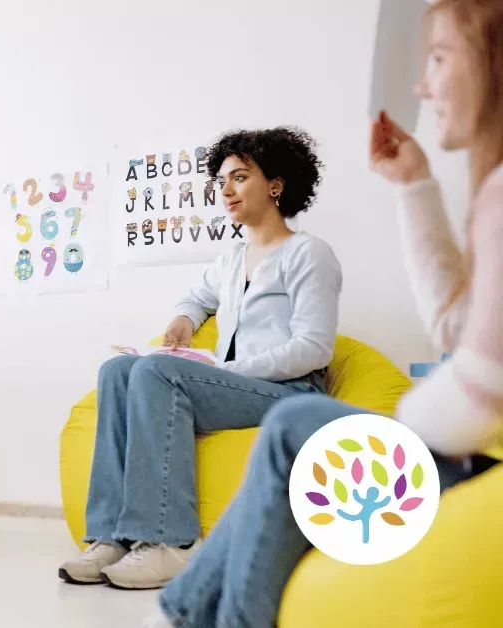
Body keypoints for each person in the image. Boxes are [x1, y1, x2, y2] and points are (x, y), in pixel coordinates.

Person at [147, 1, 503, 625]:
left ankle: (186, 605)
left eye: (440, 58)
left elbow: (476, 390)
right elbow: (459, 325)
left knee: (294, 420)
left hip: (462, 454)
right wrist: (414, 184)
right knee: (141, 374)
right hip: (467, 445)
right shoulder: (490, 193)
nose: (424, 84)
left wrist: (396, 422)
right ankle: (173, 601)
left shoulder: (309, 252)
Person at [59, 127, 343, 589]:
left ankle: (169, 543)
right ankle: (110, 536)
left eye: (240, 177)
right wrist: (184, 321)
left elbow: (313, 348)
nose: (226, 190)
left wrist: (222, 369)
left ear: (276, 184)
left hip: (289, 391)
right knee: (117, 370)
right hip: (237, 386)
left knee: (157, 371)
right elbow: (196, 296)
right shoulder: (232, 257)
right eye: (222, 180)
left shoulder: (309, 254)